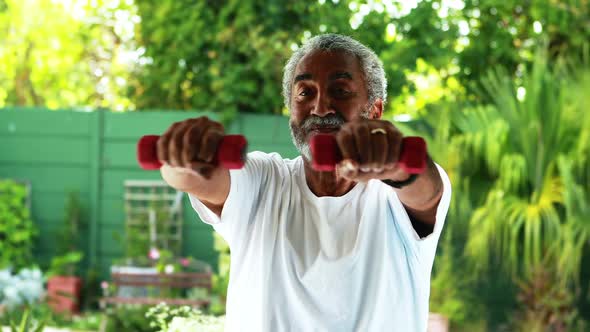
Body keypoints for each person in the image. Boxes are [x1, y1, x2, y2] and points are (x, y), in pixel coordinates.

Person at [157, 34, 451, 332]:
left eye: (340, 90)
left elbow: (427, 192)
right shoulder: (264, 180)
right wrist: (180, 158)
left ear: (374, 110)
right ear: (290, 110)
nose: (320, 107)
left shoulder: (393, 197)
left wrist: (397, 158)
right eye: (304, 92)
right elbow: (193, 179)